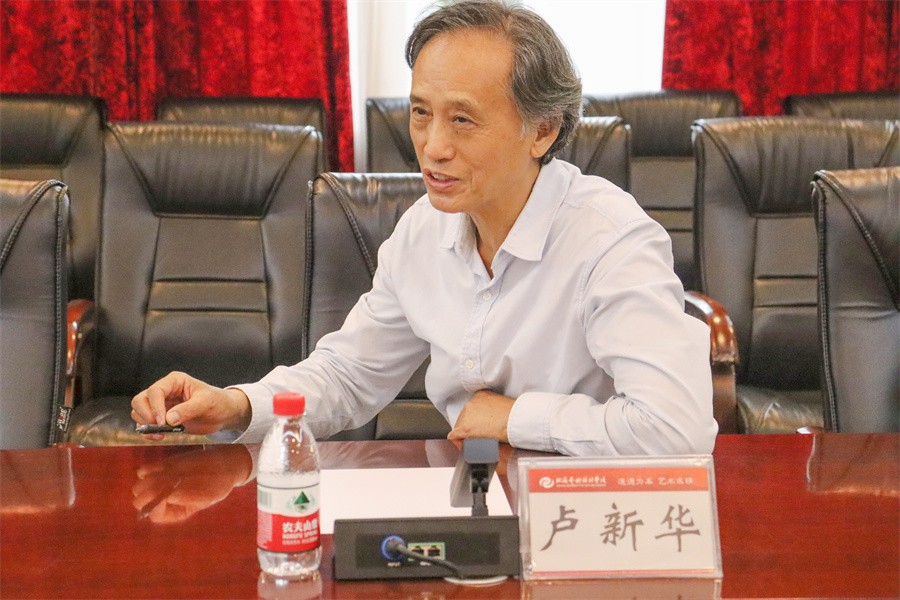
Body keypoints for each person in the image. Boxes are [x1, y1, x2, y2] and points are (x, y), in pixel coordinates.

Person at [132, 0, 717, 456]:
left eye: (462, 120)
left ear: (542, 130)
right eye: (420, 113)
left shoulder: (609, 240)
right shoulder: (422, 230)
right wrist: (236, 404)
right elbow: (350, 373)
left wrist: (516, 417)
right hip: (477, 482)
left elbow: (676, 429)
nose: (433, 147)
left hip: (592, 511)